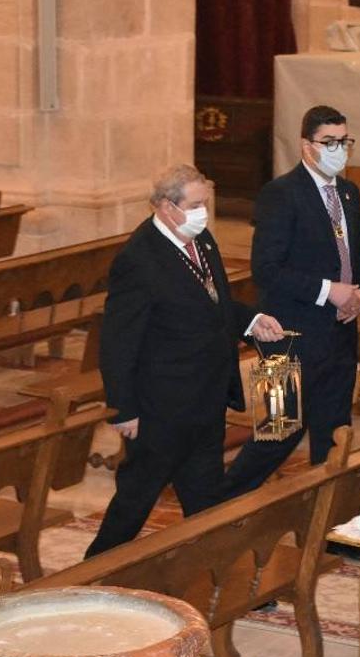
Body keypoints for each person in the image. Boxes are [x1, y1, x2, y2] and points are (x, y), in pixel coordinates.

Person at [87, 165, 284, 557]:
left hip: (205, 398)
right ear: (165, 207)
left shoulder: (200, 240)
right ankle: (91, 575)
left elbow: (215, 303)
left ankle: (219, 574)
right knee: (135, 502)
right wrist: (124, 409)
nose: (203, 213)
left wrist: (253, 321)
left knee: (206, 501)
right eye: (194, 205)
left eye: (204, 204)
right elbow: (118, 341)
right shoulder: (139, 260)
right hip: (162, 407)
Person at [220, 105, 360, 500]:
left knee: (334, 431)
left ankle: (328, 519)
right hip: (287, 336)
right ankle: (219, 505)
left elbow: (357, 260)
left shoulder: (348, 192)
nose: (339, 149)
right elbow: (267, 269)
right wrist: (329, 291)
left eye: (345, 141)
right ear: (307, 146)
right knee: (279, 432)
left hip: (339, 335)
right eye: (330, 142)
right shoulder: (280, 194)